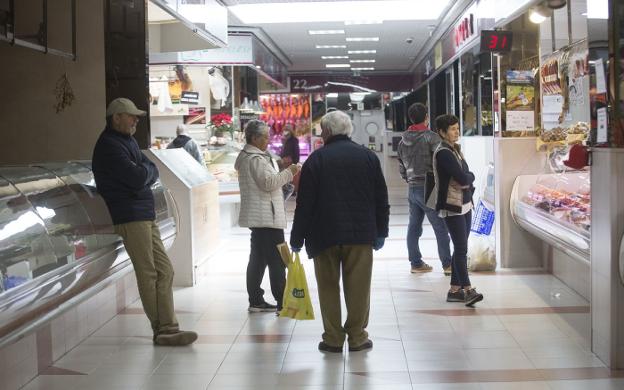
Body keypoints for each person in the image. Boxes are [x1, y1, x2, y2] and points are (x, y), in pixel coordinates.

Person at [92, 97, 198, 346]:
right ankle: (163, 329)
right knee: (148, 272)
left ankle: (168, 327)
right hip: (129, 215)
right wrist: (144, 173)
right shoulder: (109, 145)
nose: (135, 120)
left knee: (165, 270)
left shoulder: (126, 141)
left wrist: (144, 173)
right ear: (116, 117)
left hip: (143, 213)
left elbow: (151, 168)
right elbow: (138, 176)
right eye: (131, 116)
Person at [290, 110, 389, 353]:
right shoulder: (368, 157)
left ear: (328, 132)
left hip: (324, 235)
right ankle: (357, 337)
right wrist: (381, 232)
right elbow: (381, 197)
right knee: (359, 288)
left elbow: (305, 203)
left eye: (322, 130)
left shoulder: (316, 159)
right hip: (361, 234)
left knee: (328, 287)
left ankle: (333, 338)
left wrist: (297, 237)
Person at [234, 119, 301, 313]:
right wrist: (291, 172)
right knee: (277, 260)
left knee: (258, 259)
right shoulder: (255, 158)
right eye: (265, 137)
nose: (268, 140)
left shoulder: (251, 156)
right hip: (266, 218)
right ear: (254, 138)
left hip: (262, 216)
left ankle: (256, 299)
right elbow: (269, 183)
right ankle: (283, 302)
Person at [430, 114, 483, 307]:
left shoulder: (454, 149)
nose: (456, 131)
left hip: (465, 203)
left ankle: (454, 290)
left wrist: (469, 177)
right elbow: (462, 177)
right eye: (452, 129)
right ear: (442, 132)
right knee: (461, 248)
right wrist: (468, 177)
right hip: (452, 206)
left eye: (457, 128)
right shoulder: (444, 152)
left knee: (461, 247)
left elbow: (467, 175)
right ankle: (467, 290)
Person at [397, 103, 452, 275]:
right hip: (429, 187)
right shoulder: (432, 137)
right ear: (426, 117)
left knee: (414, 227)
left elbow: (401, 168)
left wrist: (410, 179)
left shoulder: (402, 141)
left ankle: (416, 263)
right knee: (440, 227)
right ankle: (448, 265)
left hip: (412, 188)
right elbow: (443, 161)